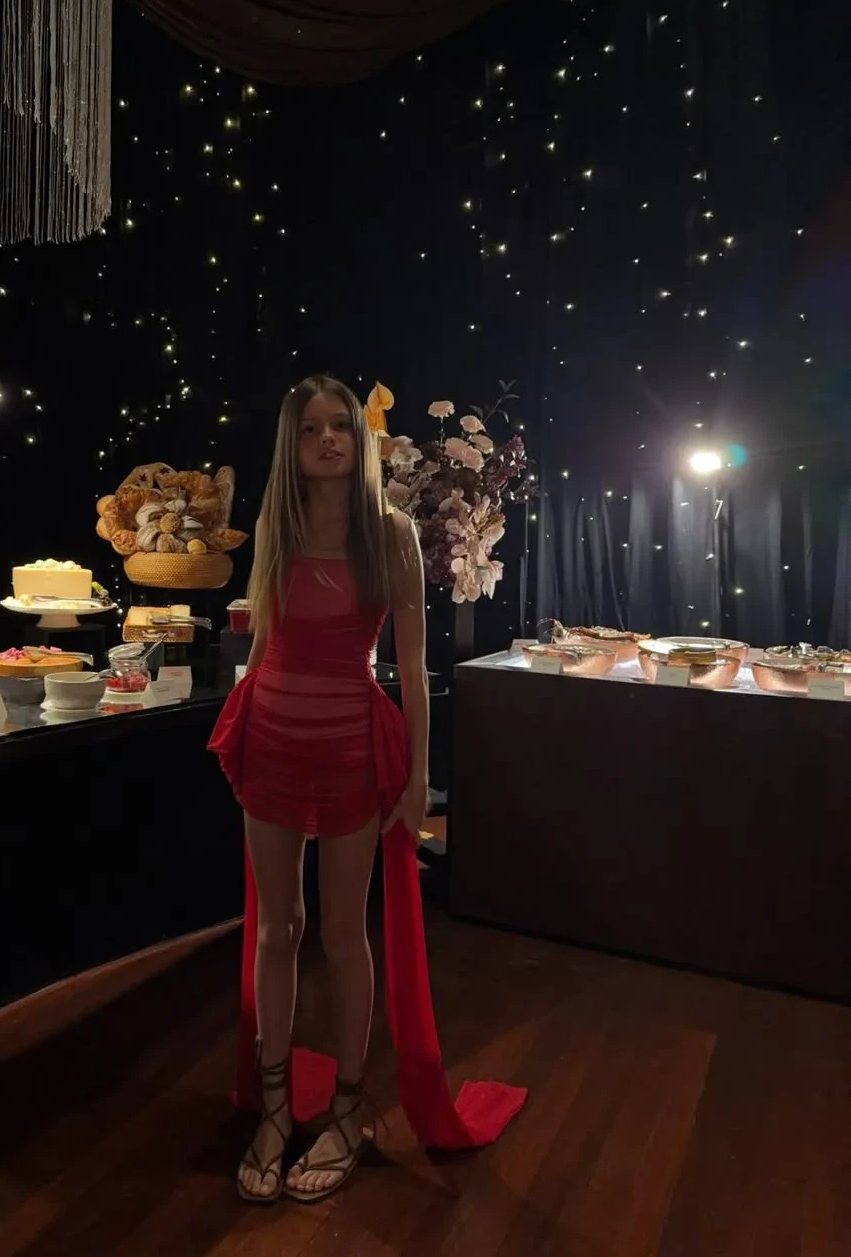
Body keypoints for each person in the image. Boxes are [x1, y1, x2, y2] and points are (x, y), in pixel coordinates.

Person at [208, 375, 525, 1206]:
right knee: (276, 929)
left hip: (351, 745)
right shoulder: (274, 524)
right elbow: (261, 644)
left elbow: (413, 668)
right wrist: (241, 727)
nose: (327, 440)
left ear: (361, 439)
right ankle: (275, 1109)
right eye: (311, 428)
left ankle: (348, 1112)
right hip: (273, 740)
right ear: (292, 442)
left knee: (343, 934)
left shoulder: (390, 533)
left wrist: (419, 776)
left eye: (340, 426)